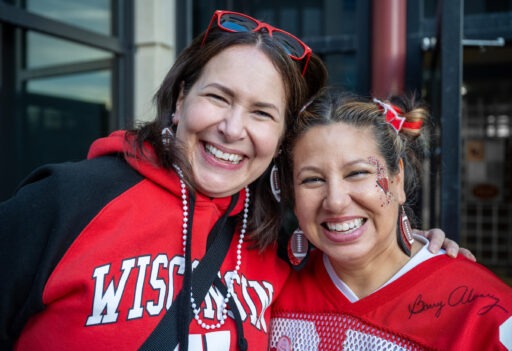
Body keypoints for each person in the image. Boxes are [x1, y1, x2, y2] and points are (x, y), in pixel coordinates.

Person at [0, 10, 464, 351]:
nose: (233, 128)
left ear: (280, 137)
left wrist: (414, 250)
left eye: (262, 113)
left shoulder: (276, 237)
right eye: (219, 98)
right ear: (181, 98)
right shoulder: (64, 202)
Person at [269, 88, 512, 350]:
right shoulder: (268, 292)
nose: (336, 201)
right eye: (312, 179)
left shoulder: (487, 311)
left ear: (397, 179)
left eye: (358, 173)